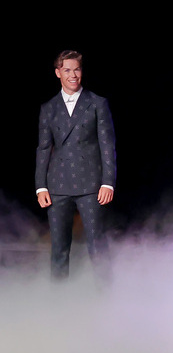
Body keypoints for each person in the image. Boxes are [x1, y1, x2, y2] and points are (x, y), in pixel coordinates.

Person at [35, 50, 117, 282]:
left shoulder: (97, 103)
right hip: (57, 186)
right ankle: (59, 305)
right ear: (58, 73)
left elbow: (107, 145)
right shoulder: (48, 108)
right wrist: (40, 186)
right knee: (59, 250)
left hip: (91, 185)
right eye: (68, 70)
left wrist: (108, 182)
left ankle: (106, 300)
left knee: (97, 245)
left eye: (77, 69)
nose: (73, 75)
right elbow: (43, 148)